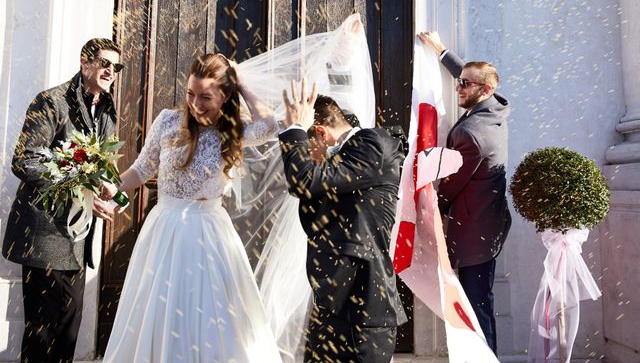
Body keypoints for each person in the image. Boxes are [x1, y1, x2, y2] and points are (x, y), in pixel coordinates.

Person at [101, 53, 282, 363]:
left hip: (209, 233)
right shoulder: (167, 121)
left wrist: (244, 84)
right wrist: (114, 189)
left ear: (224, 97)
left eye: (206, 97)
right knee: (160, 308)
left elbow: (270, 125)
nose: (196, 103)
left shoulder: (234, 129)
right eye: (190, 93)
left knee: (212, 314)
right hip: (165, 229)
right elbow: (143, 168)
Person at [2, 38, 123, 363]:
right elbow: (24, 161)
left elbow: (96, 166)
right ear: (85, 63)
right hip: (43, 235)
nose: (111, 71)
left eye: (116, 66)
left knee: (67, 331)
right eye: (105, 63)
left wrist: (107, 188)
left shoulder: (107, 110)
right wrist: (79, 186)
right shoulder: (51, 102)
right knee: (42, 333)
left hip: (77, 239)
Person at [278, 82, 407, 363]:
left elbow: (304, 181)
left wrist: (294, 130)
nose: (305, 157)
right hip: (332, 303)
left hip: (362, 309)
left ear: (321, 133)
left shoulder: (373, 145)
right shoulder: (344, 163)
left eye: (306, 145)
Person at [417, 30, 511, 354]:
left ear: (483, 90)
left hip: (475, 235)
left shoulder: (474, 133)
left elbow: (451, 185)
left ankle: (485, 359)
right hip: (487, 224)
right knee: (479, 299)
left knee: (475, 304)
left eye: (464, 84)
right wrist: (442, 51)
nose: (458, 86)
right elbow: (474, 75)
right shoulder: (494, 105)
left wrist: (425, 207)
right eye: (459, 81)